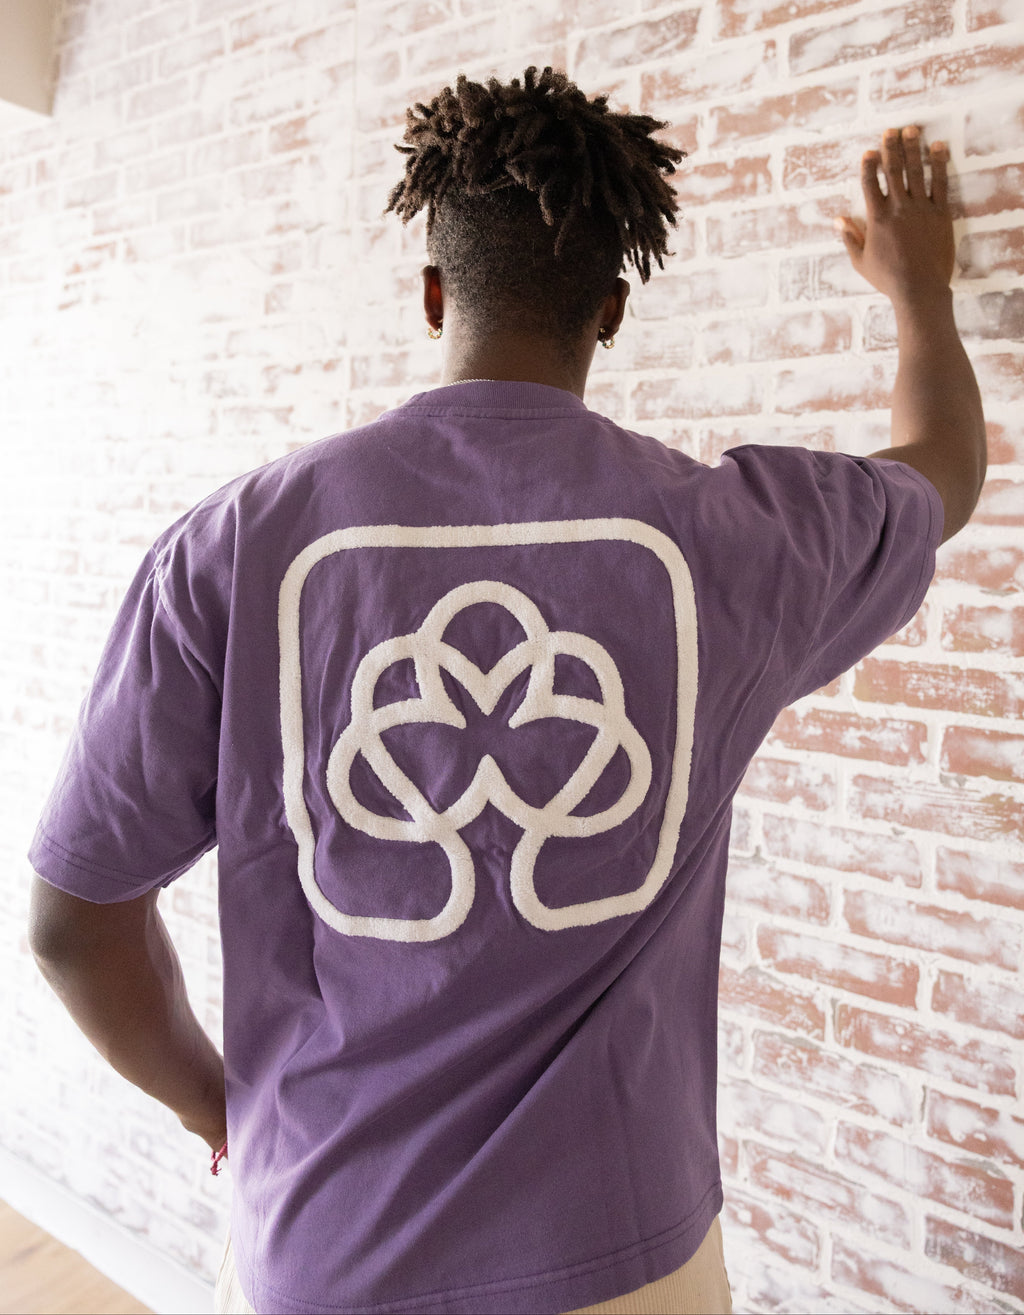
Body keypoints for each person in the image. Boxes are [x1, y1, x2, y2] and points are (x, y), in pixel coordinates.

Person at [27, 67, 984, 1315]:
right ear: (612, 312)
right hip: (628, 1257)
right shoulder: (738, 541)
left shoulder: (235, 545)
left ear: (434, 295)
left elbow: (72, 922)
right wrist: (920, 293)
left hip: (326, 1247)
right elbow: (942, 473)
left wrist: (234, 1112)